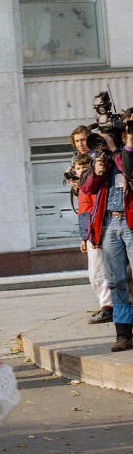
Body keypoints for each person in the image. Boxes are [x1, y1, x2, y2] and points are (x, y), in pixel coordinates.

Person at [82, 128, 133, 350]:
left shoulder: (124, 154)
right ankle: (122, 333)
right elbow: (86, 187)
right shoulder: (101, 156)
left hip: (131, 222)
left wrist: (116, 151)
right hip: (110, 223)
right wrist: (97, 170)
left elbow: (130, 171)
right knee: (116, 280)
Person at [70, 126, 112, 325]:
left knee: (99, 270)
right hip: (87, 221)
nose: (80, 144)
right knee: (96, 270)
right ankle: (106, 304)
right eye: (77, 141)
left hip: (99, 221)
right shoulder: (78, 164)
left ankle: (108, 306)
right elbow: (82, 202)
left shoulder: (97, 161)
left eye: (83, 140)